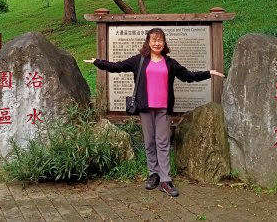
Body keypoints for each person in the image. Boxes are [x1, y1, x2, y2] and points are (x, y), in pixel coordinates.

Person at [84, 27, 225, 197]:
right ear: (148, 42)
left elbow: (188, 76)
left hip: (163, 109)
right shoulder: (140, 61)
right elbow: (118, 66)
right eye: (154, 40)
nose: (157, 43)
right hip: (145, 108)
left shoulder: (170, 63)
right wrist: (98, 62)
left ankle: (165, 179)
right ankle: (154, 174)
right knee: (149, 142)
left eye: (160, 40)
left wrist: (209, 73)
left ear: (164, 43)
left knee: (163, 142)